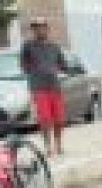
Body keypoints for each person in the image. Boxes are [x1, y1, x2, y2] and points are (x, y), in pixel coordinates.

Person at [19, 16, 67, 157]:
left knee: (58, 119)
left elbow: (62, 64)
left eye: (42, 27)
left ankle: (58, 145)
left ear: (47, 29)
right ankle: (48, 147)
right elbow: (23, 64)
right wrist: (34, 72)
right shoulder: (28, 46)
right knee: (45, 119)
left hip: (54, 87)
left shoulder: (54, 46)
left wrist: (56, 69)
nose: (39, 29)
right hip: (39, 88)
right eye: (36, 27)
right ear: (33, 30)